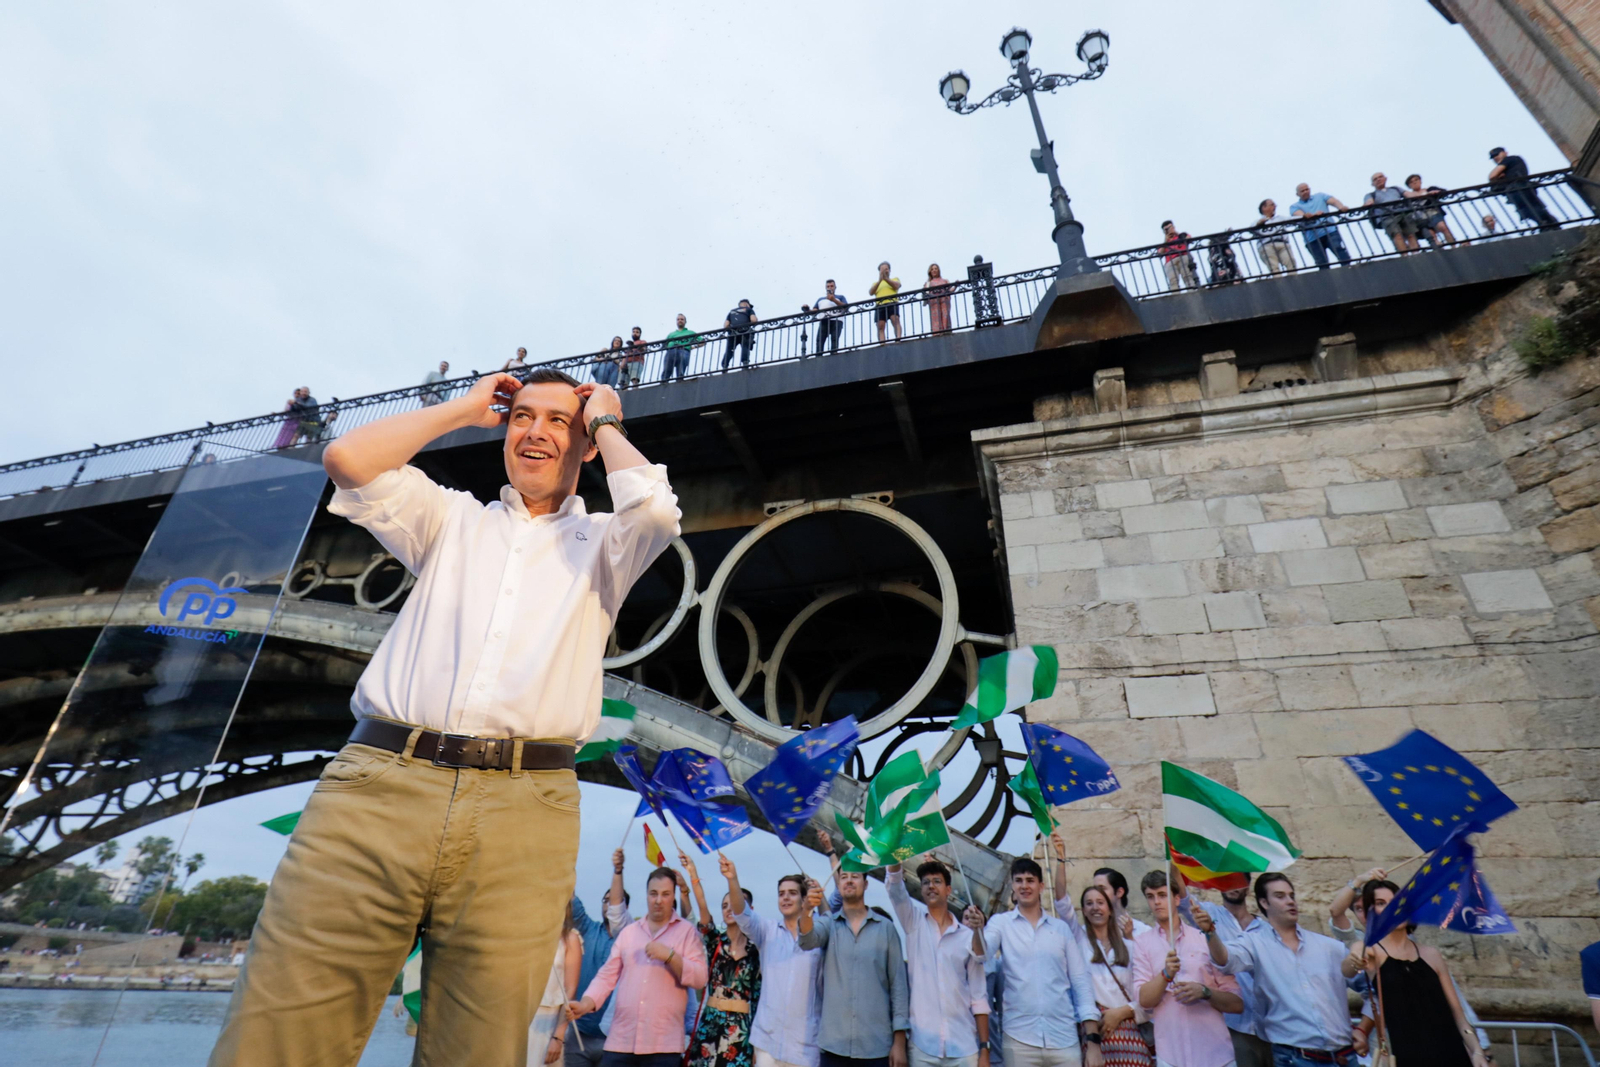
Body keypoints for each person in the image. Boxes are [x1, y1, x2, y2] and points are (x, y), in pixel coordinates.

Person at [206, 366, 680, 1066]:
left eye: (557, 420)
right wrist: (464, 408)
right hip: (377, 788)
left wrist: (606, 418)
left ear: (584, 444)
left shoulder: (607, 545)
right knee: (276, 1032)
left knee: (479, 1050)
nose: (535, 431)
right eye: (523, 416)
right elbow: (348, 460)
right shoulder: (452, 518)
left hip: (525, 809)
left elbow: (657, 512)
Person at [1204, 874, 1359, 1067]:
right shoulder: (1255, 943)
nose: (1290, 901)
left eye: (1291, 895)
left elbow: (1365, 984)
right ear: (1264, 902)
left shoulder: (1328, 947)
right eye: (1280, 896)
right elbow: (1225, 959)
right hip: (1293, 1058)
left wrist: (1364, 1027)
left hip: (1344, 1057)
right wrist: (1210, 933)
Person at [570, 866, 710, 1067]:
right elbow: (606, 976)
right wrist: (586, 1003)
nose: (658, 900)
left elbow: (699, 978)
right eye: (653, 894)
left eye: (665, 894)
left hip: (663, 1045)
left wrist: (671, 956)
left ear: (673, 896)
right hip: (620, 1041)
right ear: (646, 895)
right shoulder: (630, 933)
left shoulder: (687, 932)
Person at [970, 857, 1102, 1067]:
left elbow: (1080, 982)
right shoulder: (1001, 923)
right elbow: (981, 954)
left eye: (1030, 880)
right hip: (1019, 1039)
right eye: (1019, 880)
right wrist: (976, 930)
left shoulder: (1061, 929)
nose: (1024, 886)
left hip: (1064, 1039)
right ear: (1013, 886)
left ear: (1041, 886)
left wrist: (1093, 1041)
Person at [1354, 880, 1486, 1067]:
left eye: (1397, 901)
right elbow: (1350, 963)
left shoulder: (1432, 954)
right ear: (1372, 912)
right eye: (1381, 903)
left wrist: (1478, 1052)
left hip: (1453, 1055)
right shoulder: (1372, 952)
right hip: (1407, 1058)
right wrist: (1354, 955)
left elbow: (1459, 1017)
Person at [798, 856, 910, 1067]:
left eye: (855, 877)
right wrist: (806, 910)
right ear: (838, 884)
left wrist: (899, 1042)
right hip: (834, 1046)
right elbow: (807, 940)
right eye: (844, 877)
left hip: (876, 1047)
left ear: (865, 884)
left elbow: (899, 987)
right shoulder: (828, 924)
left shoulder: (886, 929)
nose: (849, 881)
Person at [1129, 871, 1243, 1067]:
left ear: (1176, 899)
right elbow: (1144, 1000)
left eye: (1162, 895)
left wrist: (1204, 992)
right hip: (1171, 1055)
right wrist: (1165, 975)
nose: (1156, 902)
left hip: (1215, 1054)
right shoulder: (1142, 943)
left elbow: (1237, 1004)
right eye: (1150, 896)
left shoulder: (1203, 937)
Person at [886, 858, 991, 1067]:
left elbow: (979, 997)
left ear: (948, 889)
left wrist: (984, 1050)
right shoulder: (913, 922)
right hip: (924, 1046)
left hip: (964, 1047)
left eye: (937, 881)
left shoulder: (966, 936)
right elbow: (895, 888)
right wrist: (894, 856)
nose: (931, 886)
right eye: (925, 882)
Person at [724, 855, 826, 1067]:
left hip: (805, 1045)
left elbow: (833, 918)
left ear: (804, 899)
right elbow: (741, 913)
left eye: (792, 893)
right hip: (767, 1042)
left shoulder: (821, 935)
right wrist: (732, 879)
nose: (786, 898)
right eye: (781, 894)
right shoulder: (767, 931)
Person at [1175, 878, 1269, 1067]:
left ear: (1248, 886)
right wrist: (1175, 852)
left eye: (1238, 880)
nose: (1233, 885)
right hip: (1232, 1026)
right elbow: (1181, 895)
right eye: (1227, 879)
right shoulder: (1208, 913)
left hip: (1270, 1026)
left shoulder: (1267, 929)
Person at [680, 851, 761, 1067]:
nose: (729, 909)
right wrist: (693, 873)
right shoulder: (715, 941)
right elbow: (702, 907)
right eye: (724, 905)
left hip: (741, 1031)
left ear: (749, 910)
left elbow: (759, 997)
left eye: (734, 904)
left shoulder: (758, 950)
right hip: (711, 1023)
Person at [568, 849, 637, 1067]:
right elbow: (569, 898)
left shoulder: (631, 937)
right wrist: (562, 867)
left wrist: (618, 870)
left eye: (614, 901)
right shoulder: (587, 928)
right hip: (578, 1034)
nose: (608, 904)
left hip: (615, 1038)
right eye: (605, 900)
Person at [1073, 885, 1151, 1067]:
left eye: (1100, 903)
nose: (1095, 908)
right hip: (1096, 1035)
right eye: (1089, 903)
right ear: (1083, 911)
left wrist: (1121, 1012)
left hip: (1130, 1035)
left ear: (1109, 909)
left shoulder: (1131, 948)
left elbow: (1146, 999)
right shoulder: (1079, 946)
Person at [532, 903, 585, 1066]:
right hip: (520, 1017)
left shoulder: (570, 938)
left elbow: (570, 990)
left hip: (549, 1021)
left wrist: (558, 1036)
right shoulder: (527, 937)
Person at [1488, 148, 1558, 230]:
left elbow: (1492, 176)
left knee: (1530, 209)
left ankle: (1549, 224)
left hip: (1519, 188)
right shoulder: (1511, 163)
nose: (1495, 158)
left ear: (1505, 153)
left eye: (1497, 154)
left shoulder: (1510, 159)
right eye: (1493, 157)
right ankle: (1547, 224)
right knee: (1528, 210)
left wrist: (1498, 175)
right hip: (1519, 188)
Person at [1290, 184, 1353, 269]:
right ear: (1297, 194)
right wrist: (1311, 215)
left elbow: (1334, 201)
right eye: (1302, 191)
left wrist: (1341, 207)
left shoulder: (1320, 196)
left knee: (1340, 251)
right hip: (1312, 239)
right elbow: (1301, 215)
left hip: (1329, 231)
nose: (1305, 192)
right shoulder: (1294, 206)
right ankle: (1327, 279)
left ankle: (1349, 269)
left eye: (1307, 189)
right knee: (1322, 263)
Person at [1363, 173, 1420, 255]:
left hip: (1403, 213)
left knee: (1410, 234)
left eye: (1380, 177)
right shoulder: (1371, 195)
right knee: (1397, 235)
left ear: (1385, 178)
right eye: (1375, 179)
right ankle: (1405, 255)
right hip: (1387, 217)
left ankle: (1416, 254)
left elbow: (1409, 195)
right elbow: (1369, 202)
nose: (1378, 179)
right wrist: (1367, 204)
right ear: (1372, 184)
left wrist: (1426, 193)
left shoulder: (1395, 189)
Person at [1403, 175, 1456, 247]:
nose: (1415, 182)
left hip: (1433, 212)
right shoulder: (1408, 196)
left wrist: (1437, 192)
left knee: (1443, 227)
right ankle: (1439, 248)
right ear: (1409, 186)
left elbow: (1444, 192)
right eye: (1411, 182)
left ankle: (1453, 246)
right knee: (1431, 234)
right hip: (1420, 217)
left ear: (1420, 181)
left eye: (1416, 180)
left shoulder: (1429, 189)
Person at [1253, 201, 1296, 275]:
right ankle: (1279, 284)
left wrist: (1305, 216)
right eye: (1272, 205)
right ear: (1264, 208)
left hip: (1283, 244)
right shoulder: (1257, 221)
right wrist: (1260, 223)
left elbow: (1294, 220)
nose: (1275, 206)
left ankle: (1294, 281)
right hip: (1266, 246)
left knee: (1291, 262)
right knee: (1274, 268)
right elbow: (1252, 228)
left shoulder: (1280, 218)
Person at [1160, 222, 1198, 290]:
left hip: (1183, 256)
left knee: (1187, 276)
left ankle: (1191, 291)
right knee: (1173, 281)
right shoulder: (1164, 242)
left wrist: (1176, 233)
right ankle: (1175, 295)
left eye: (1169, 228)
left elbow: (1189, 238)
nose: (1168, 230)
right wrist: (1165, 241)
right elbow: (1160, 253)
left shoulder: (1182, 235)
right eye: (1166, 229)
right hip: (1170, 261)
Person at [814, 281, 848, 356]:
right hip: (824, 320)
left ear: (835, 287)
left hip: (837, 320)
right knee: (820, 340)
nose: (830, 288)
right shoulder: (820, 299)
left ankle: (834, 354)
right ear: (826, 288)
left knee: (834, 338)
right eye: (828, 286)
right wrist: (807, 309)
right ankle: (818, 356)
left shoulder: (840, 297)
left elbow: (846, 307)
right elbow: (815, 310)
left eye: (832, 286)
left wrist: (834, 300)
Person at [871, 263, 903, 342]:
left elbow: (896, 286)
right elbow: (871, 292)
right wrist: (880, 280)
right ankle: (882, 343)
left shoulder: (895, 279)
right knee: (880, 326)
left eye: (886, 269)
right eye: (882, 269)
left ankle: (898, 339)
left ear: (889, 270)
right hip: (880, 305)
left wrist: (886, 279)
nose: (885, 271)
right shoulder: (876, 283)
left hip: (892, 302)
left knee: (895, 320)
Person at [663, 315, 701, 383]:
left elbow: (702, 341)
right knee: (666, 370)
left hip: (683, 350)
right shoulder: (671, 334)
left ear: (685, 321)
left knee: (680, 370)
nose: (680, 320)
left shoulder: (690, 332)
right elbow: (664, 345)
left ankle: (679, 381)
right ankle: (664, 382)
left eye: (682, 319)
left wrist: (694, 347)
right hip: (671, 351)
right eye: (678, 319)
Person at [723, 301, 758, 371]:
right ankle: (745, 363)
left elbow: (726, 325)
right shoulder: (749, 310)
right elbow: (753, 320)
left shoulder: (731, 311)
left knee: (730, 349)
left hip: (733, 333)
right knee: (745, 346)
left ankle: (725, 366)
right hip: (745, 331)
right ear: (746, 304)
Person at [925, 265, 954, 334]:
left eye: (936, 269)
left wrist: (955, 286)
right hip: (934, 302)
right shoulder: (928, 283)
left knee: (945, 314)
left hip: (944, 300)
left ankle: (946, 330)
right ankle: (937, 333)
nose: (934, 270)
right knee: (936, 316)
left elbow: (950, 290)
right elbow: (926, 294)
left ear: (938, 270)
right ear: (930, 272)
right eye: (932, 269)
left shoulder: (945, 281)